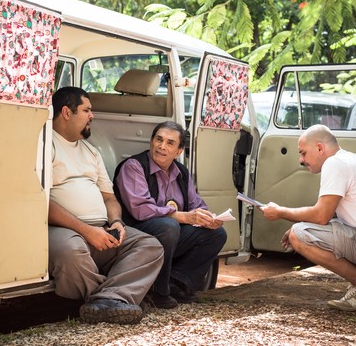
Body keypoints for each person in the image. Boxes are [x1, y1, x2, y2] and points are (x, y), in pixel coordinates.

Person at [48, 86, 163, 325]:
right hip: (63, 230)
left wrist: (116, 222)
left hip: (101, 229)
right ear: (67, 112)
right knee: (70, 253)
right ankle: (111, 300)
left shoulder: (92, 152)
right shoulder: (44, 146)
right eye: (87, 110)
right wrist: (87, 231)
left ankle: (104, 301)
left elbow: (109, 198)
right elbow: (41, 203)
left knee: (150, 245)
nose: (92, 115)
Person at [261, 124, 356, 311]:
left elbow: (321, 215)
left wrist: (281, 212)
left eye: (303, 153)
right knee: (301, 230)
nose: (301, 160)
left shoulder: (335, 163)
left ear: (320, 148)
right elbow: (328, 214)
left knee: (299, 235)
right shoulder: (348, 159)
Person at [113, 121, 227, 309]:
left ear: (179, 151)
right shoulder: (134, 166)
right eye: (158, 140)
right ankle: (159, 291)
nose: (161, 146)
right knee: (168, 226)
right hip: (135, 231)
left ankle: (177, 283)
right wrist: (182, 217)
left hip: (168, 235)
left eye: (169, 143)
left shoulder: (181, 172)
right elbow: (141, 210)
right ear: (151, 141)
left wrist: (208, 218)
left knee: (216, 234)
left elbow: (196, 204)